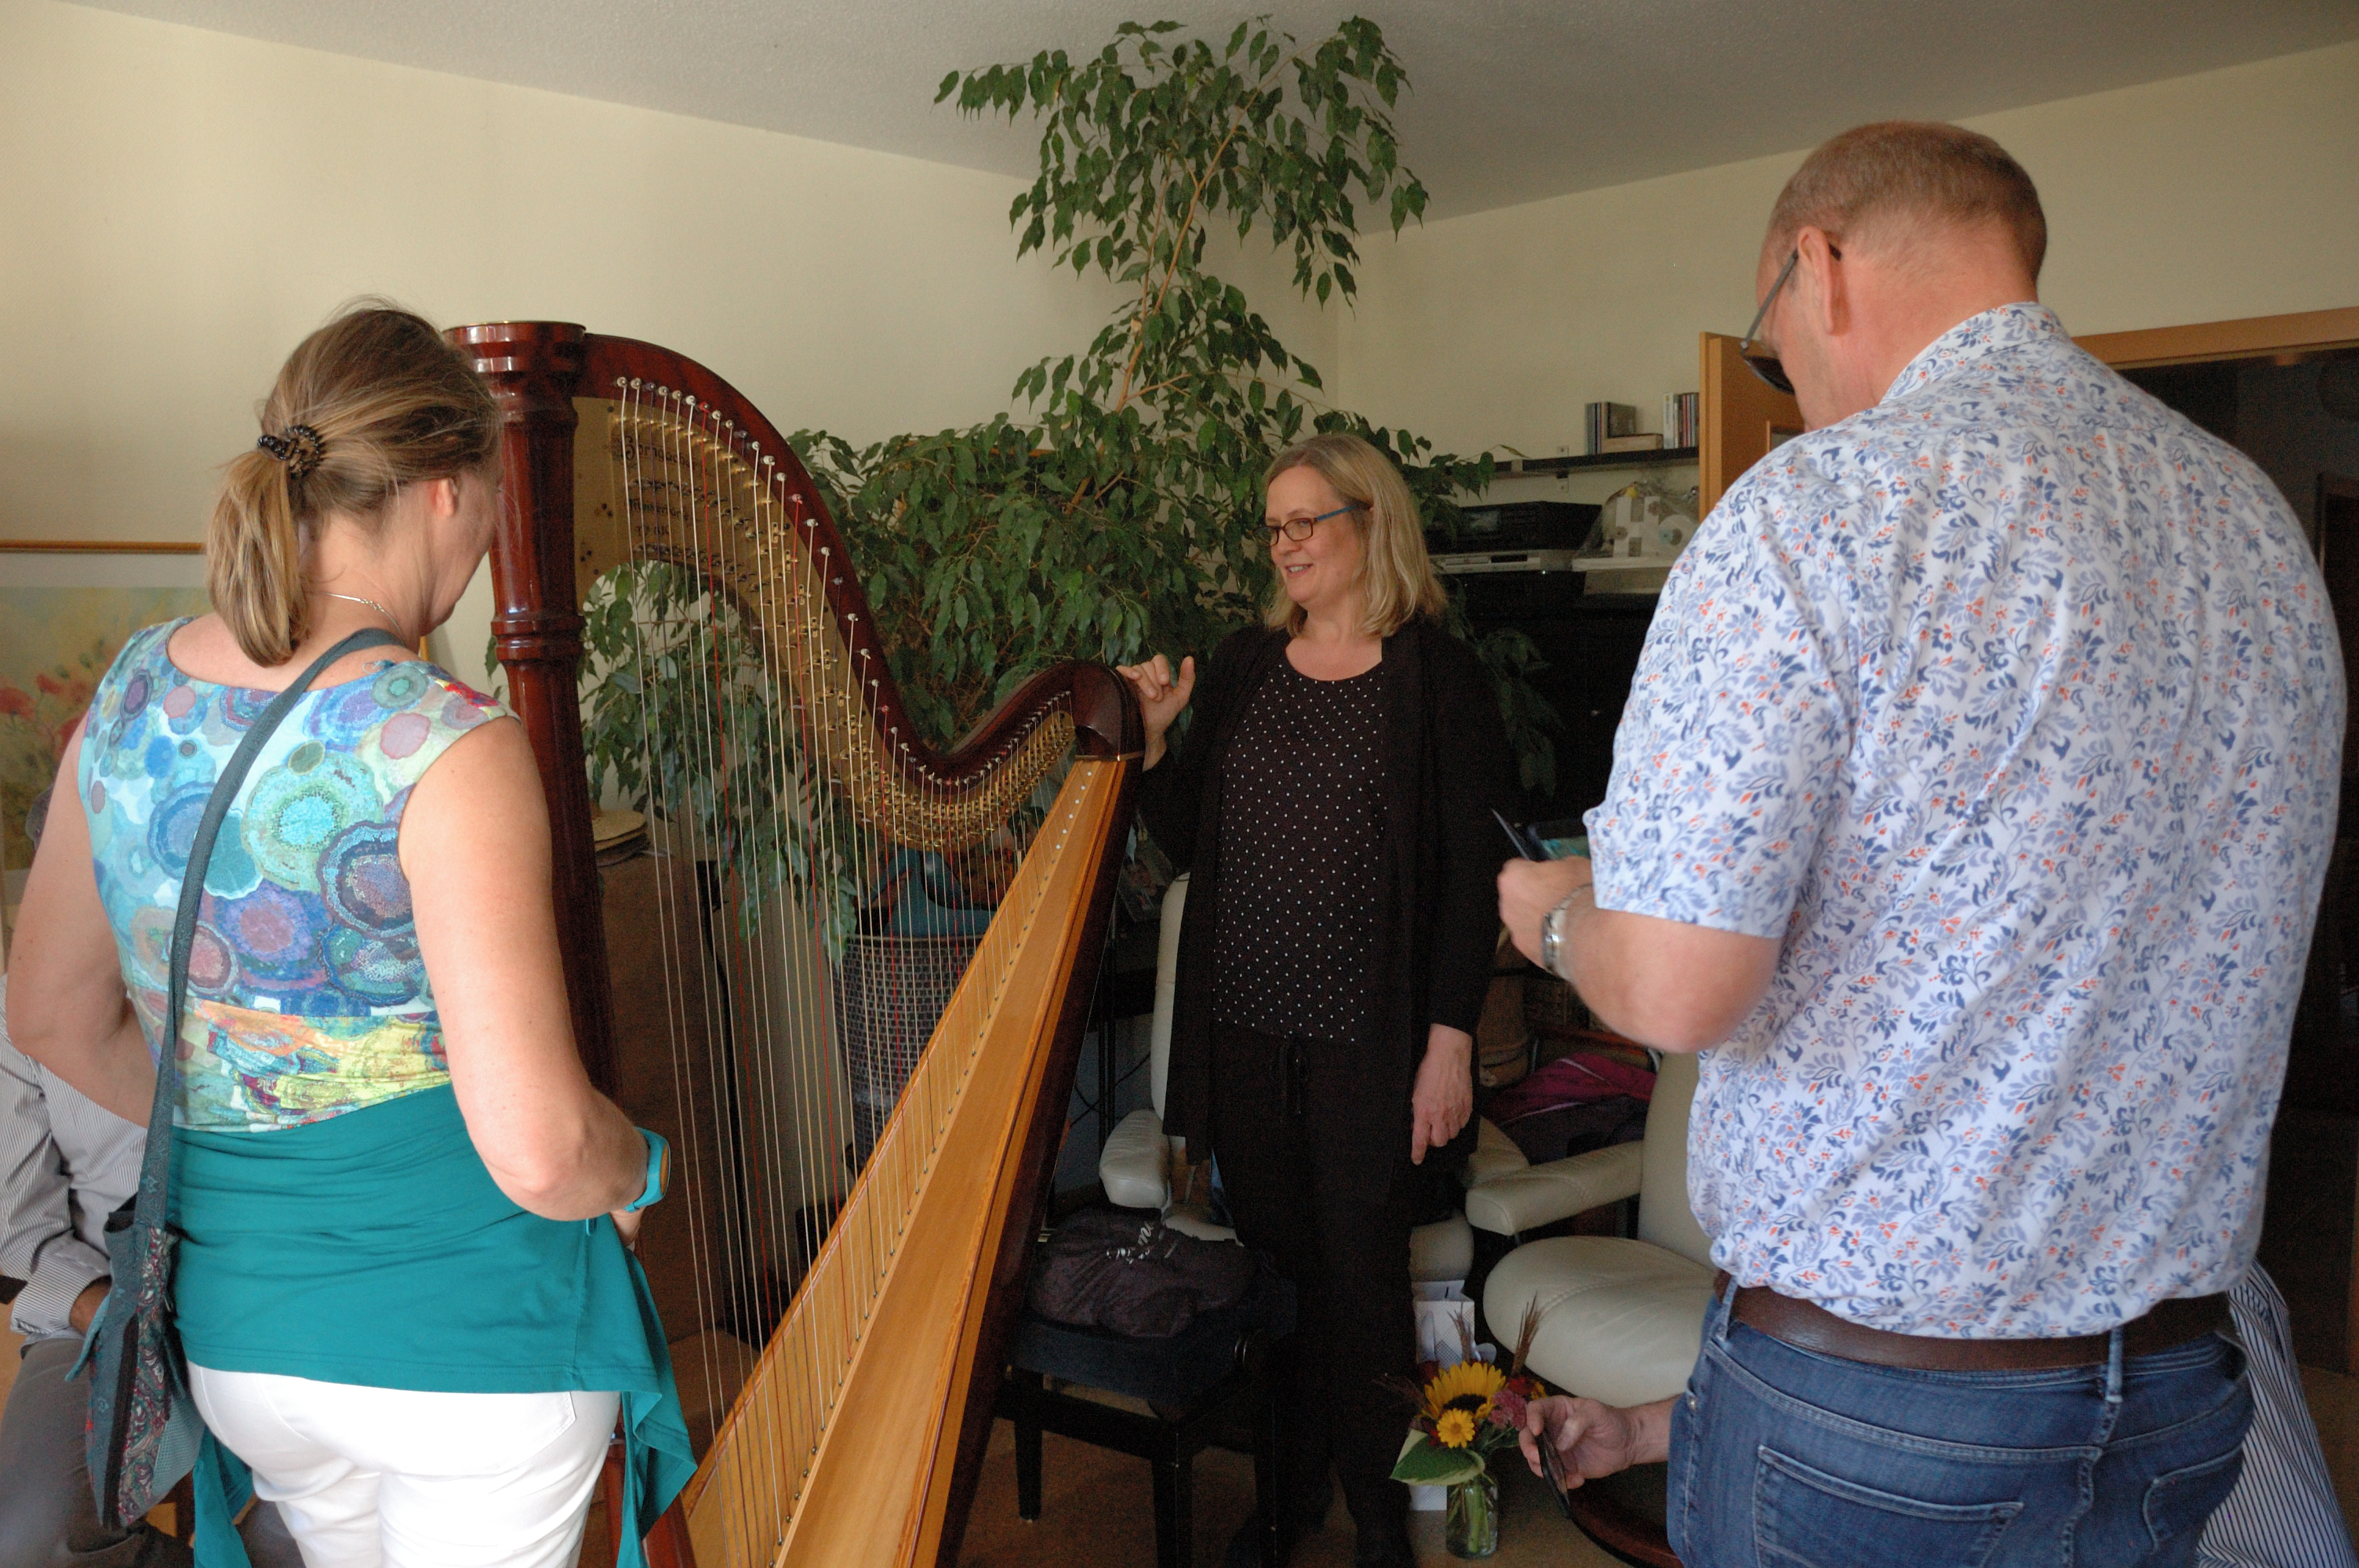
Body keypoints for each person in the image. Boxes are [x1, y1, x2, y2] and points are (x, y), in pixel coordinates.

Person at [1496, 122, 2341, 1565]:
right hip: (2181, 1392)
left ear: (1816, 268)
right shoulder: (2252, 525)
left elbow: (1682, 989)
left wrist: (1559, 916)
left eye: (1770, 347)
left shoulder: (1813, 512)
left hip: (1878, 1405)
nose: (1790, 384)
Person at [9, 303, 691, 1568]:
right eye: (490, 503)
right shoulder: (444, 740)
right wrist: (637, 1169)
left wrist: (255, 1130)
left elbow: (49, 1012)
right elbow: (543, 1153)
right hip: (470, 1349)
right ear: (447, 490)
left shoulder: (135, 690)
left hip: (250, 1348)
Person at [1118, 431, 1517, 1568]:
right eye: (1273, 527)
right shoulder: (1247, 664)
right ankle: (1287, 1497)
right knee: (1281, 1280)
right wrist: (1154, 748)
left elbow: (1471, 878)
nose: (1284, 544)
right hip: (1247, 1035)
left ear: (1368, 521)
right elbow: (1194, 842)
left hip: (1368, 1048)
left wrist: (1449, 1041)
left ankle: (1380, 1526)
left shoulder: (1436, 678)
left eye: (1305, 521)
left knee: (1363, 1285)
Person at [2, 793, 303, 1568]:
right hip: (102, 1313)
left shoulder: (272, 976)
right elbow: (15, 1233)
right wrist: (122, 1319)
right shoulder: (16, 1015)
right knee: (32, 1539)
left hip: (288, 1301)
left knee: (322, 1520)